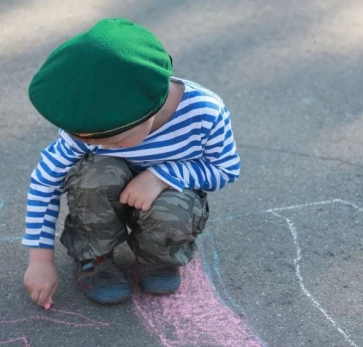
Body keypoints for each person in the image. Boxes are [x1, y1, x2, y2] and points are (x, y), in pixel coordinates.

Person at [22, 18, 240, 306]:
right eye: (90, 141)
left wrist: (161, 176)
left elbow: (225, 169)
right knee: (96, 174)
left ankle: (158, 256)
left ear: (150, 109)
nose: (99, 144)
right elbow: (44, 182)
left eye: (113, 140)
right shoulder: (91, 126)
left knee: (175, 208)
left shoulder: (205, 113)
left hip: (162, 200)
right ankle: (94, 256)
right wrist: (40, 260)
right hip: (102, 201)